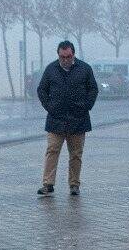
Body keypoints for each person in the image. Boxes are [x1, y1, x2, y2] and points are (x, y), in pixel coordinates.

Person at [35, 40, 98, 196]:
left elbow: (93, 89)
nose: (65, 60)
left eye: (68, 56)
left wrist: (86, 106)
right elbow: (42, 89)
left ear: (73, 54)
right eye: (62, 57)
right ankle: (48, 184)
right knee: (52, 150)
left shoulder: (85, 69)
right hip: (56, 119)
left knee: (76, 154)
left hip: (78, 119)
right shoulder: (51, 69)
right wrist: (50, 107)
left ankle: (74, 184)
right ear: (58, 55)